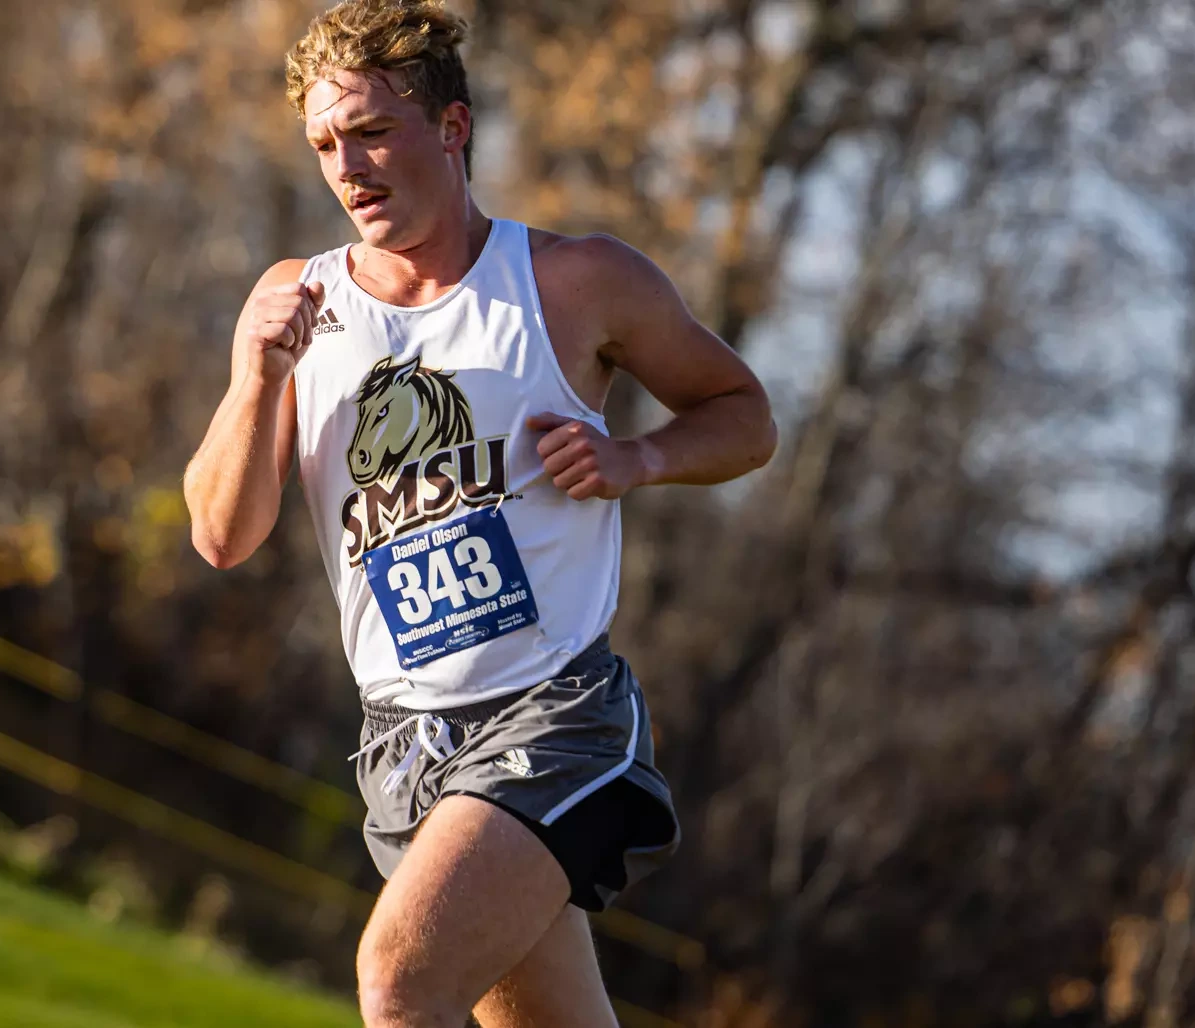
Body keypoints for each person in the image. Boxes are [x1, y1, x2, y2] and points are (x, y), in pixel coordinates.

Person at [183, 2, 776, 1024]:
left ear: (450, 128)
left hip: (550, 714)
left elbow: (744, 415)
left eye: (371, 131)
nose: (346, 165)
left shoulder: (572, 282)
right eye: (324, 142)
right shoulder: (296, 303)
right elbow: (220, 534)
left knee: (398, 981)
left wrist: (635, 457)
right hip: (401, 745)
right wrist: (251, 378)